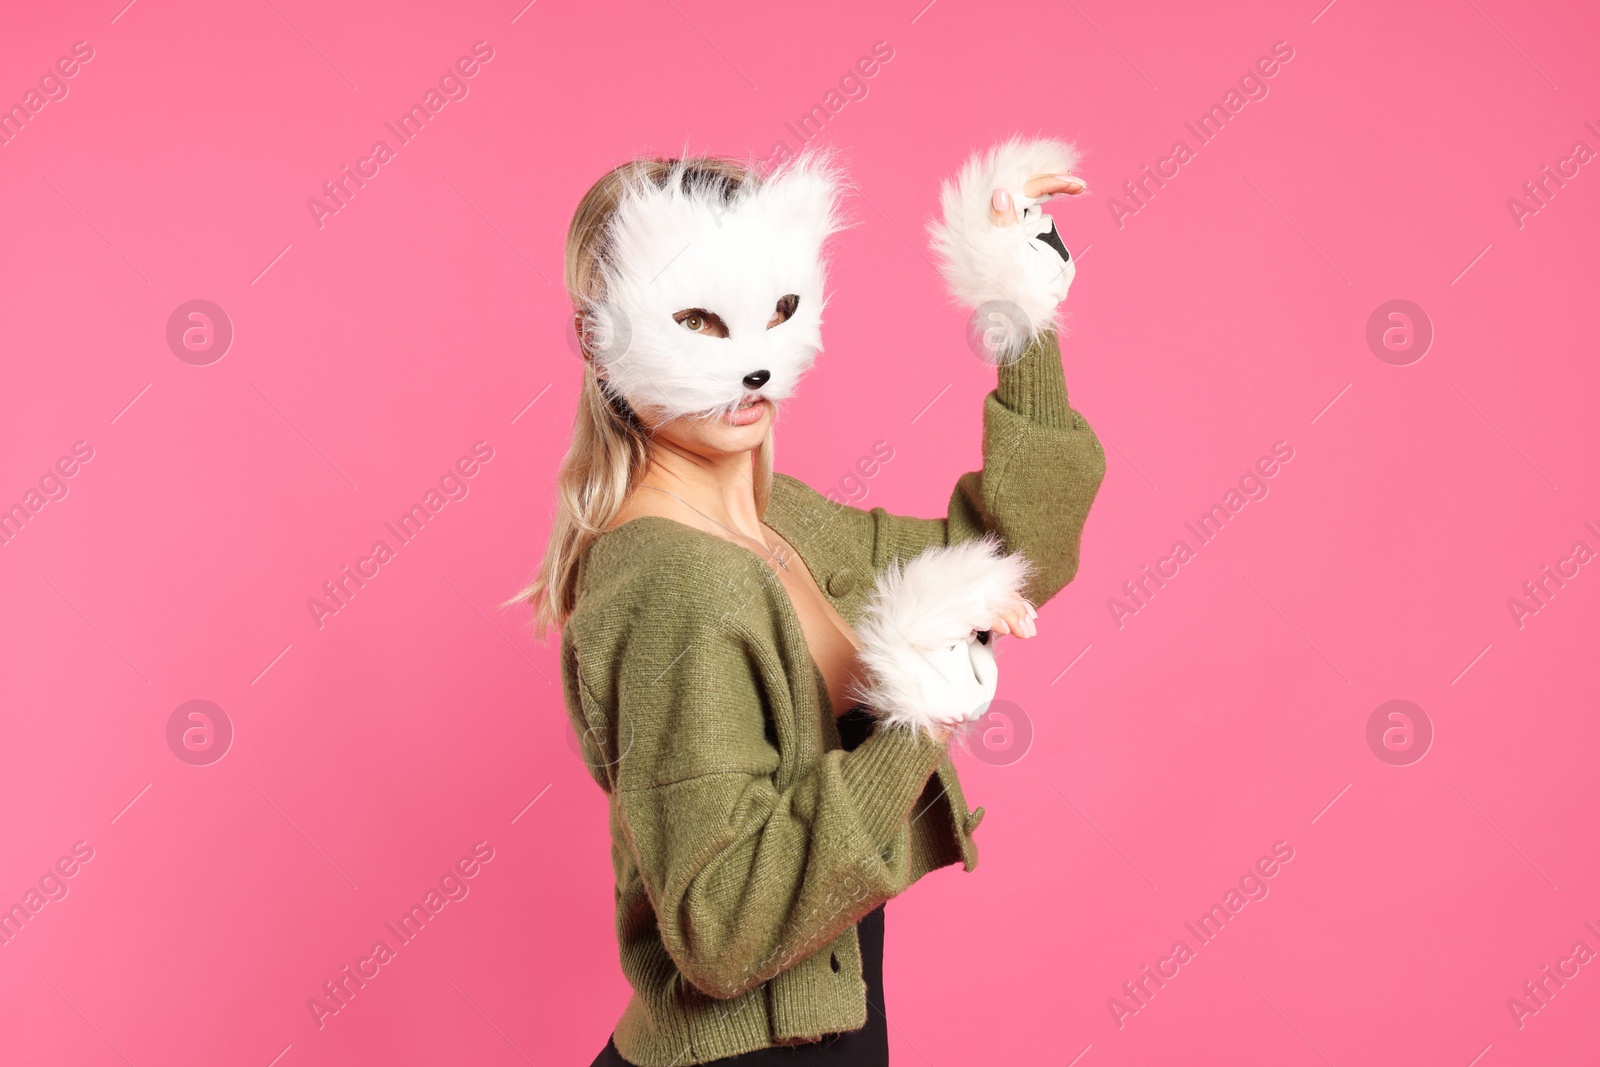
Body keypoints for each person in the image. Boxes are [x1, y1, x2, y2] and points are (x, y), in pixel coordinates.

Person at [513, 136, 1105, 1065]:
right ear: (606, 340)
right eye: (700, 324)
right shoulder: (674, 581)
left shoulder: (774, 521)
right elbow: (724, 929)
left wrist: (1017, 315)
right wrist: (922, 712)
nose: (749, 362)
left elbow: (1011, 554)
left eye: (777, 311)